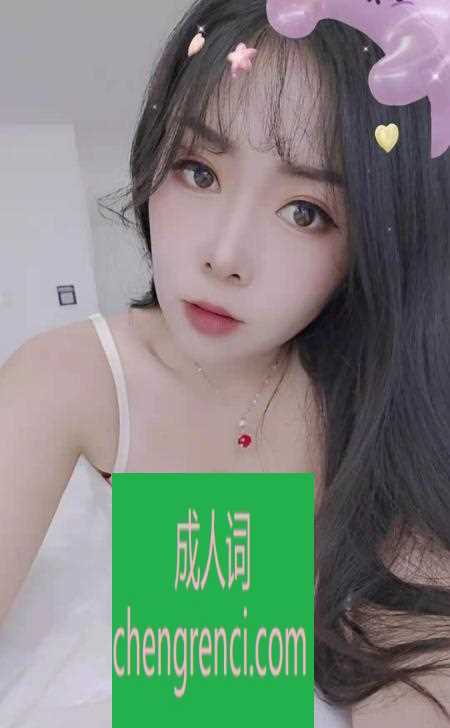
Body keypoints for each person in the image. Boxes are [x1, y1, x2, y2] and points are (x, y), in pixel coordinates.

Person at [1, 1, 449, 726]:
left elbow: (418, 667)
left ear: (374, 243)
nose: (225, 255)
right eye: (199, 171)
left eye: (305, 212)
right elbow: (198, 681)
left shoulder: (378, 406)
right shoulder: (72, 376)